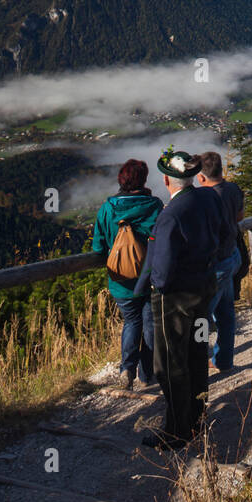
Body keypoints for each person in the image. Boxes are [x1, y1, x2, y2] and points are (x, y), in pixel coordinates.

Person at [140, 148, 233, 451]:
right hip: (204, 287)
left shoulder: (171, 216)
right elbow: (224, 236)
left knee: (169, 364)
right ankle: (197, 418)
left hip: (175, 298)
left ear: (167, 180)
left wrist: (155, 288)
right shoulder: (209, 198)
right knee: (196, 354)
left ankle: (176, 430)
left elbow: (163, 271)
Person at [91, 159, 164, 391]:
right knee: (150, 323)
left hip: (120, 281)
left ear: (121, 180)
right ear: (143, 180)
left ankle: (126, 370)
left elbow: (98, 248)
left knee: (131, 322)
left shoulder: (107, 208)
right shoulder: (154, 205)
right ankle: (147, 374)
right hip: (150, 277)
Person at [197, 151, 244, 374]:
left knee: (201, 317)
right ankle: (223, 360)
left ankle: (198, 362)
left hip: (215, 264)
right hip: (232, 256)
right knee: (226, 314)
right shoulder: (233, 189)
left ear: (202, 177)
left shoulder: (203, 199)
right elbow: (240, 217)